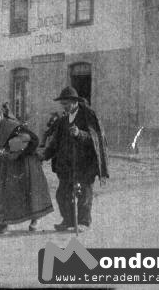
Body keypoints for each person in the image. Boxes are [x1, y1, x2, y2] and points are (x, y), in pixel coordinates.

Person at [0, 102, 54, 235]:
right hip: (5, 165)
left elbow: (35, 140)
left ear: (1, 115)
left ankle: (35, 220)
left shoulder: (13, 126)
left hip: (25, 164)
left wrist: (20, 153)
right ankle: (2, 224)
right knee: (0, 191)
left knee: (29, 191)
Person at [38, 86, 109, 232]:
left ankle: (83, 222)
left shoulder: (88, 116)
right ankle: (68, 221)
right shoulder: (63, 120)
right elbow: (55, 142)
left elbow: (95, 140)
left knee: (84, 193)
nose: (65, 107)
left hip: (85, 164)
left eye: (67, 104)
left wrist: (79, 134)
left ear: (75, 102)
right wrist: (44, 155)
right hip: (66, 164)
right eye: (63, 104)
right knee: (62, 194)